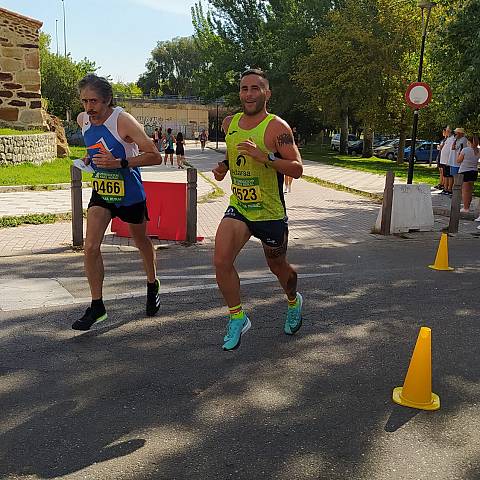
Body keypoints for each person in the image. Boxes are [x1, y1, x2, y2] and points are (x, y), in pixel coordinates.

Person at [211, 68, 304, 351]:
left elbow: (297, 168)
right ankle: (238, 317)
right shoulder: (230, 123)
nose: (248, 94)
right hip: (239, 206)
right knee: (220, 261)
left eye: (255, 88)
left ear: (267, 93)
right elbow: (234, 151)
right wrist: (224, 167)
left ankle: (293, 301)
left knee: (277, 266)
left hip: (270, 212)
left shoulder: (277, 128)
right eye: (244, 88)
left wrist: (265, 157)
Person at [72, 74, 163, 331]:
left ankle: (152, 282)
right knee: (90, 246)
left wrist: (120, 163)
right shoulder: (83, 121)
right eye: (84, 101)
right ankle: (97, 305)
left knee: (141, 241)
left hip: (130, 191)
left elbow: (154, 156)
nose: (89, 108)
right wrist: (89, 159)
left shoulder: (123, 121)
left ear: (108, 100)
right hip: (102, 190)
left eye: (94, 102)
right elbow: (94, 147)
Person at [457, 134, 480, 213]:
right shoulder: (478, 150)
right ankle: (468, 206)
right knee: (470, 190)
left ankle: (466, 208)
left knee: (465, 191)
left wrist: (458, 154)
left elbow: (458, 160)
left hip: (465, 171)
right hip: (474, 171)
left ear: (469, 142)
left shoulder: (465, 150)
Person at [445, 127, 467, 194]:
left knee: (457, 178)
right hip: (453, 161)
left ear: (460, 133)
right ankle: (452, 190)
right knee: (453, 177)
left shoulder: (463, 140)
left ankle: (456, 192)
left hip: (457, 162)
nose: (455, 134)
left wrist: (455, 140)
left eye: (456, 133)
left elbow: (453, 147)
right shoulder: (457, 139)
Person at [439, 126, 455, 195]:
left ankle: (449, 189)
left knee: (449, 176)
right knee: (445, 175)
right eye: (447, 131)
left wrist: (449, 160)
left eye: (448, 131)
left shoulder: (453, 139)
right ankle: (445, 188)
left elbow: (451, 150)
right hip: (444, 160)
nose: (447, 132)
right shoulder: (447, 139)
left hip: (448, 161)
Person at [284, 126, 300, 193]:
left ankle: (289, 186)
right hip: (286, 154)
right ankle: (286, 186)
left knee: (291, 172)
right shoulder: (285, 136)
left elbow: (297, 145)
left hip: (293, 155)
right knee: (286, 172)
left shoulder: (296, 136)